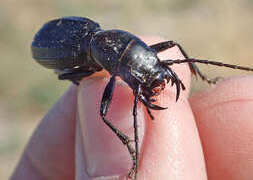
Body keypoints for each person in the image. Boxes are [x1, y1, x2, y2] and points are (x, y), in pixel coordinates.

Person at [11, 37, 253, 180]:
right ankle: (127, 145)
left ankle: (205, 77)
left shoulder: (109, 48)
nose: (151, 75)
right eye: (135, 75)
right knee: (104, 111)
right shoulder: (91, 55)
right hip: (57, 46)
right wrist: (130, 147)